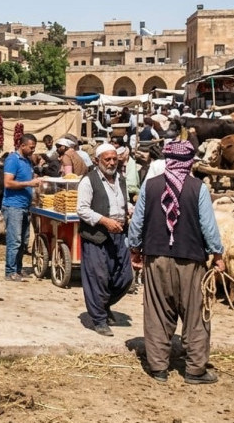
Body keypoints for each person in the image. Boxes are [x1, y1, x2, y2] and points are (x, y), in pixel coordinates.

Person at [127, 140, 225, 384]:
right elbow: (208, 226)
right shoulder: (198, 188)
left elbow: (137, 223)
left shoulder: (150, 186)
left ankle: (158, 367)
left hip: (156, 257)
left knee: (157, 311)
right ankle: (195, 370)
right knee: (195, 313)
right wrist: (217, 255)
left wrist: (135, 249)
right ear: (190, 162)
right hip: (191, 259)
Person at [77, 143, 133, 336]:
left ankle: (104, 304)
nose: (111, 163)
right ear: (97, 161)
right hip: (97, 236)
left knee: (125, 276)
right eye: (107, 159)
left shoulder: (121, 180)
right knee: (98, 277)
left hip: (119, 234)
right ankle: (99, 319)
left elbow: (123, 201)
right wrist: (104, 221)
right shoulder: (88, 181)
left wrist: (130, 210)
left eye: (114, 159)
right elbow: (82, 209)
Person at [2, 133, 41, 282]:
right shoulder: (13, 160)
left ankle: (18, 269)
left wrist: (34, 180)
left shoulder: (28, 161)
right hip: (14, 206)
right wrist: (29, 183)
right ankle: (10, 271)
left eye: (34, 147)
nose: (33, 150)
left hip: (25, 205)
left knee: (23, 241)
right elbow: (8, 183)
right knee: (15, 240)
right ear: (22, 145)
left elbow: (26, 179)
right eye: (31, 147)